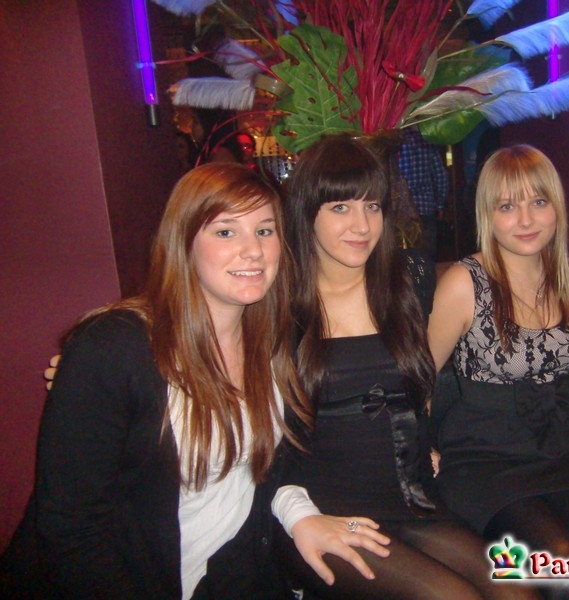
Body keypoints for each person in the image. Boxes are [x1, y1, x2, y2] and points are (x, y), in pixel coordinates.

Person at [0, 163, 389, 599]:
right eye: (226, 232)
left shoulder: (274, 345)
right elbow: (71, 532)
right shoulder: (116, 348)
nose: (253, 251)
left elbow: (275, 466)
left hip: (228, 573)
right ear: (184, 241)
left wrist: (301, 514)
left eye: (264, 231)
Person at [270, 134, 537, 600]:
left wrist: (424, 440)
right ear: (306, 211)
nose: (361, 225)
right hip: (330, 514)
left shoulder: (408, 278)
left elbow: (430, 374)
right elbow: (258, 437)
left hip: (412, 500)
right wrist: (298, 515)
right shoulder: (278, 305)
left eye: (372, 206)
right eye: (340, 208)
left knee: (518, 591)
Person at [426, 145, 569, 600]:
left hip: (562, 449)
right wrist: (421, 447)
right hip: (485, 459)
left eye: (538, 202)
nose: (525, 220)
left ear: (557, 206)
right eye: (507, 206)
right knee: (563, 574)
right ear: (488, 214)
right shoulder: (465, 283)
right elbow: (419, 377)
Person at [397, 126, 450, 261]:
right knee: (426, 256)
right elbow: (441, 176)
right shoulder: (428, 141)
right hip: (426, 208)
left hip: (400, 210)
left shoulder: (396, 142)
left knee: (403, 257)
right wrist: (440, 205)